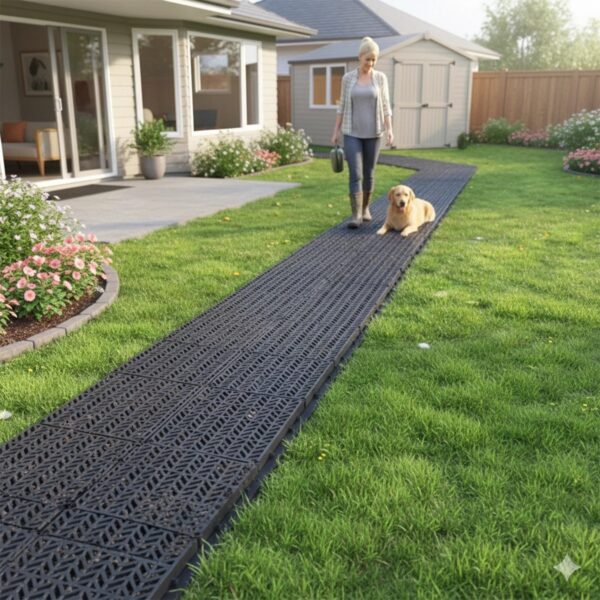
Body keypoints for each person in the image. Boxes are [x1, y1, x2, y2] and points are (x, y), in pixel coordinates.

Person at [331, 36, 393, 228]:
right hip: (352, 133)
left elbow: (386, 105)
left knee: (369, 173)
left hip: (374, 134)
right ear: (360, 57)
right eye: (368, 59)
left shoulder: (380, 78)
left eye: (374, 60)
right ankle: (356, 215)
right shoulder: (348, 78)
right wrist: (336, 131)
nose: (371, 63)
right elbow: (341, 106)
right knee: (355, 173)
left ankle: (365, 208)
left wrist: (390, 129)